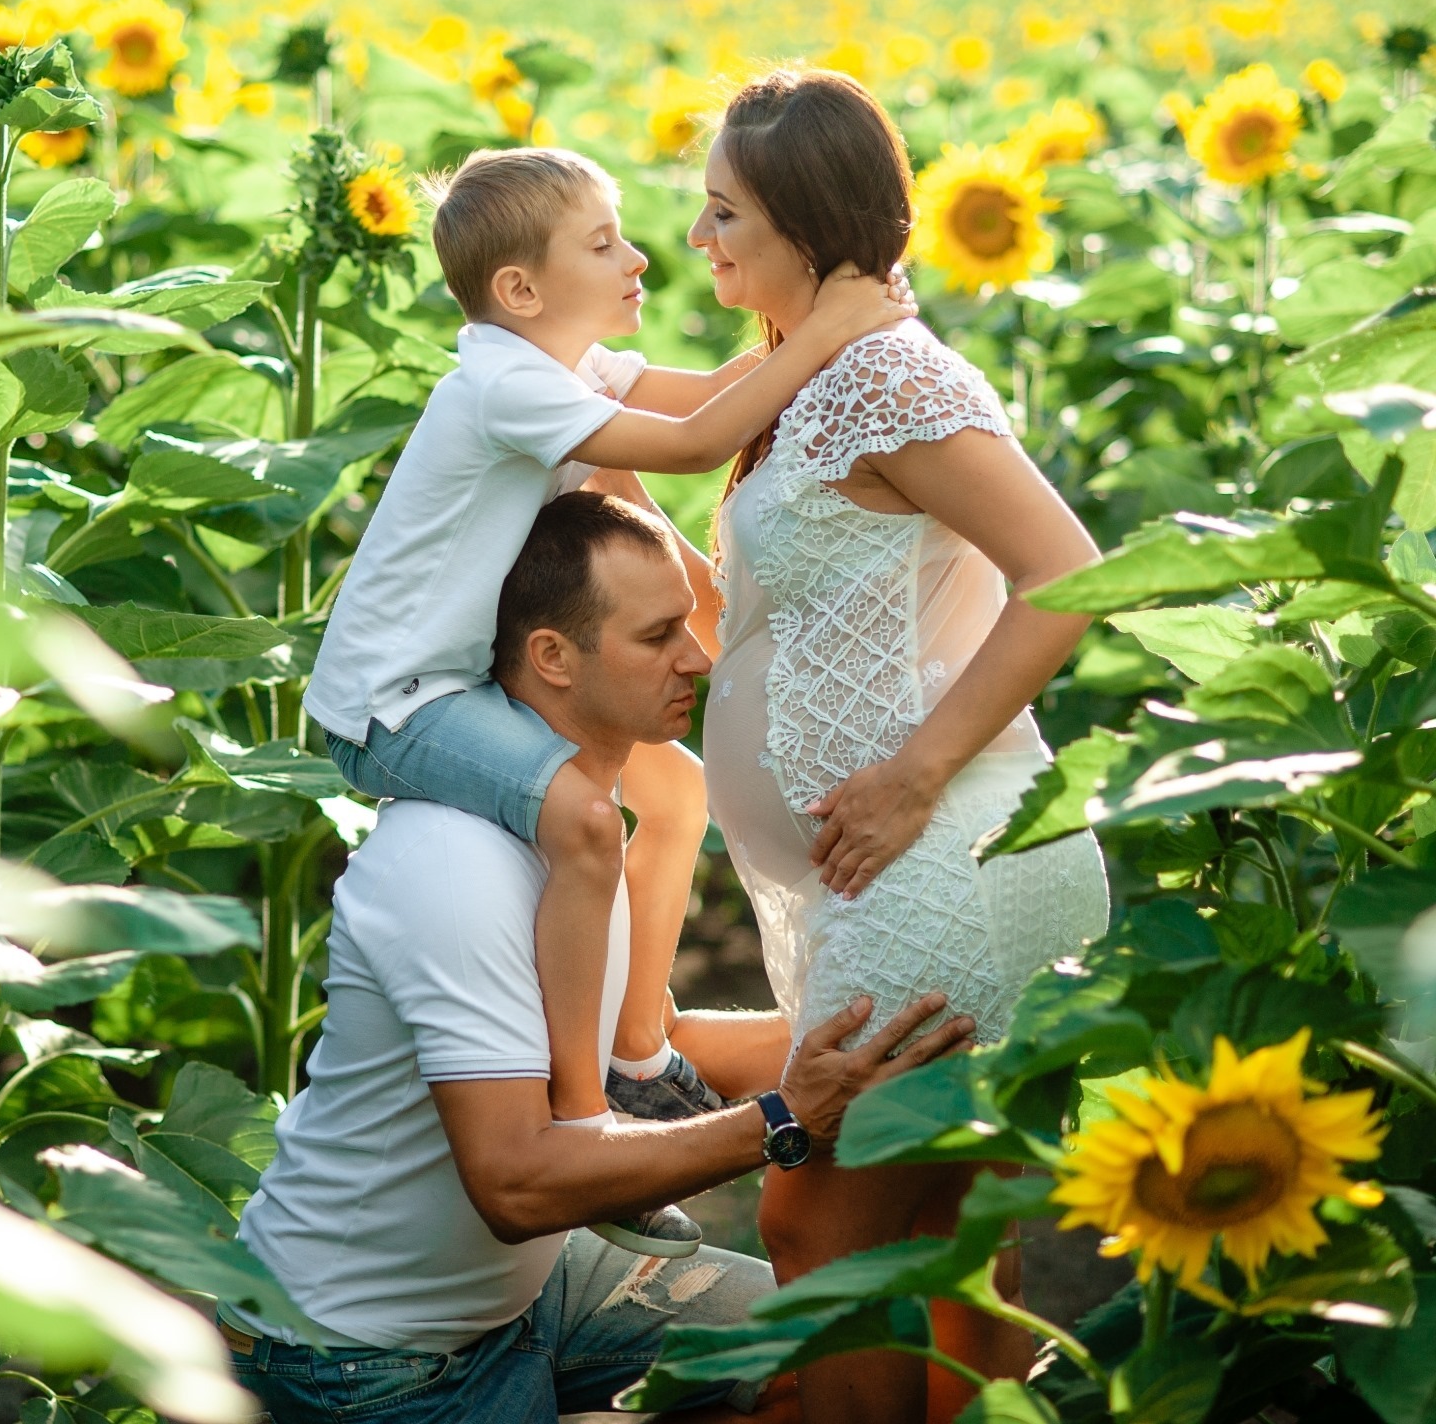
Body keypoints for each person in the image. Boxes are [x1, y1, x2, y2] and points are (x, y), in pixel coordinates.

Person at [223, 492, 975, 1423]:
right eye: (658, 637)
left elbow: (651, 1046)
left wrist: (883, 1034)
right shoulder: (455, 867)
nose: (696, 658)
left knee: (841, 1346)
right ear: (552, 658)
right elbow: (514, 1183)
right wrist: (787, 1117)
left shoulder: (582, 826)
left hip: (532, 1292)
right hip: (368, 1359)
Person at [302, 145, 915, 1257]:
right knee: (588, 819)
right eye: (603, 243)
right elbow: (693, 444)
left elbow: (714, 392)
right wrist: (827, 332)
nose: (638, 257)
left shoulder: (568, 368)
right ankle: (584, 1112)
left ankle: (640, 1056)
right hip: (393, 703)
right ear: (521, 290)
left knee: (674, 797)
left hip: (460, 677)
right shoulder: (502, 381)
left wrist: (836, 328)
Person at [688, 70, 1112, 1422]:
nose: (703, 240)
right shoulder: (805, 378)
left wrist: (917, 770)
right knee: (946, 1248)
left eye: (724, 214)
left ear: (808, 231)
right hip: (896, 873)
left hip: (937, 860)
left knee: (819, 1241)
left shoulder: (890, 376)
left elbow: (1065, 573)